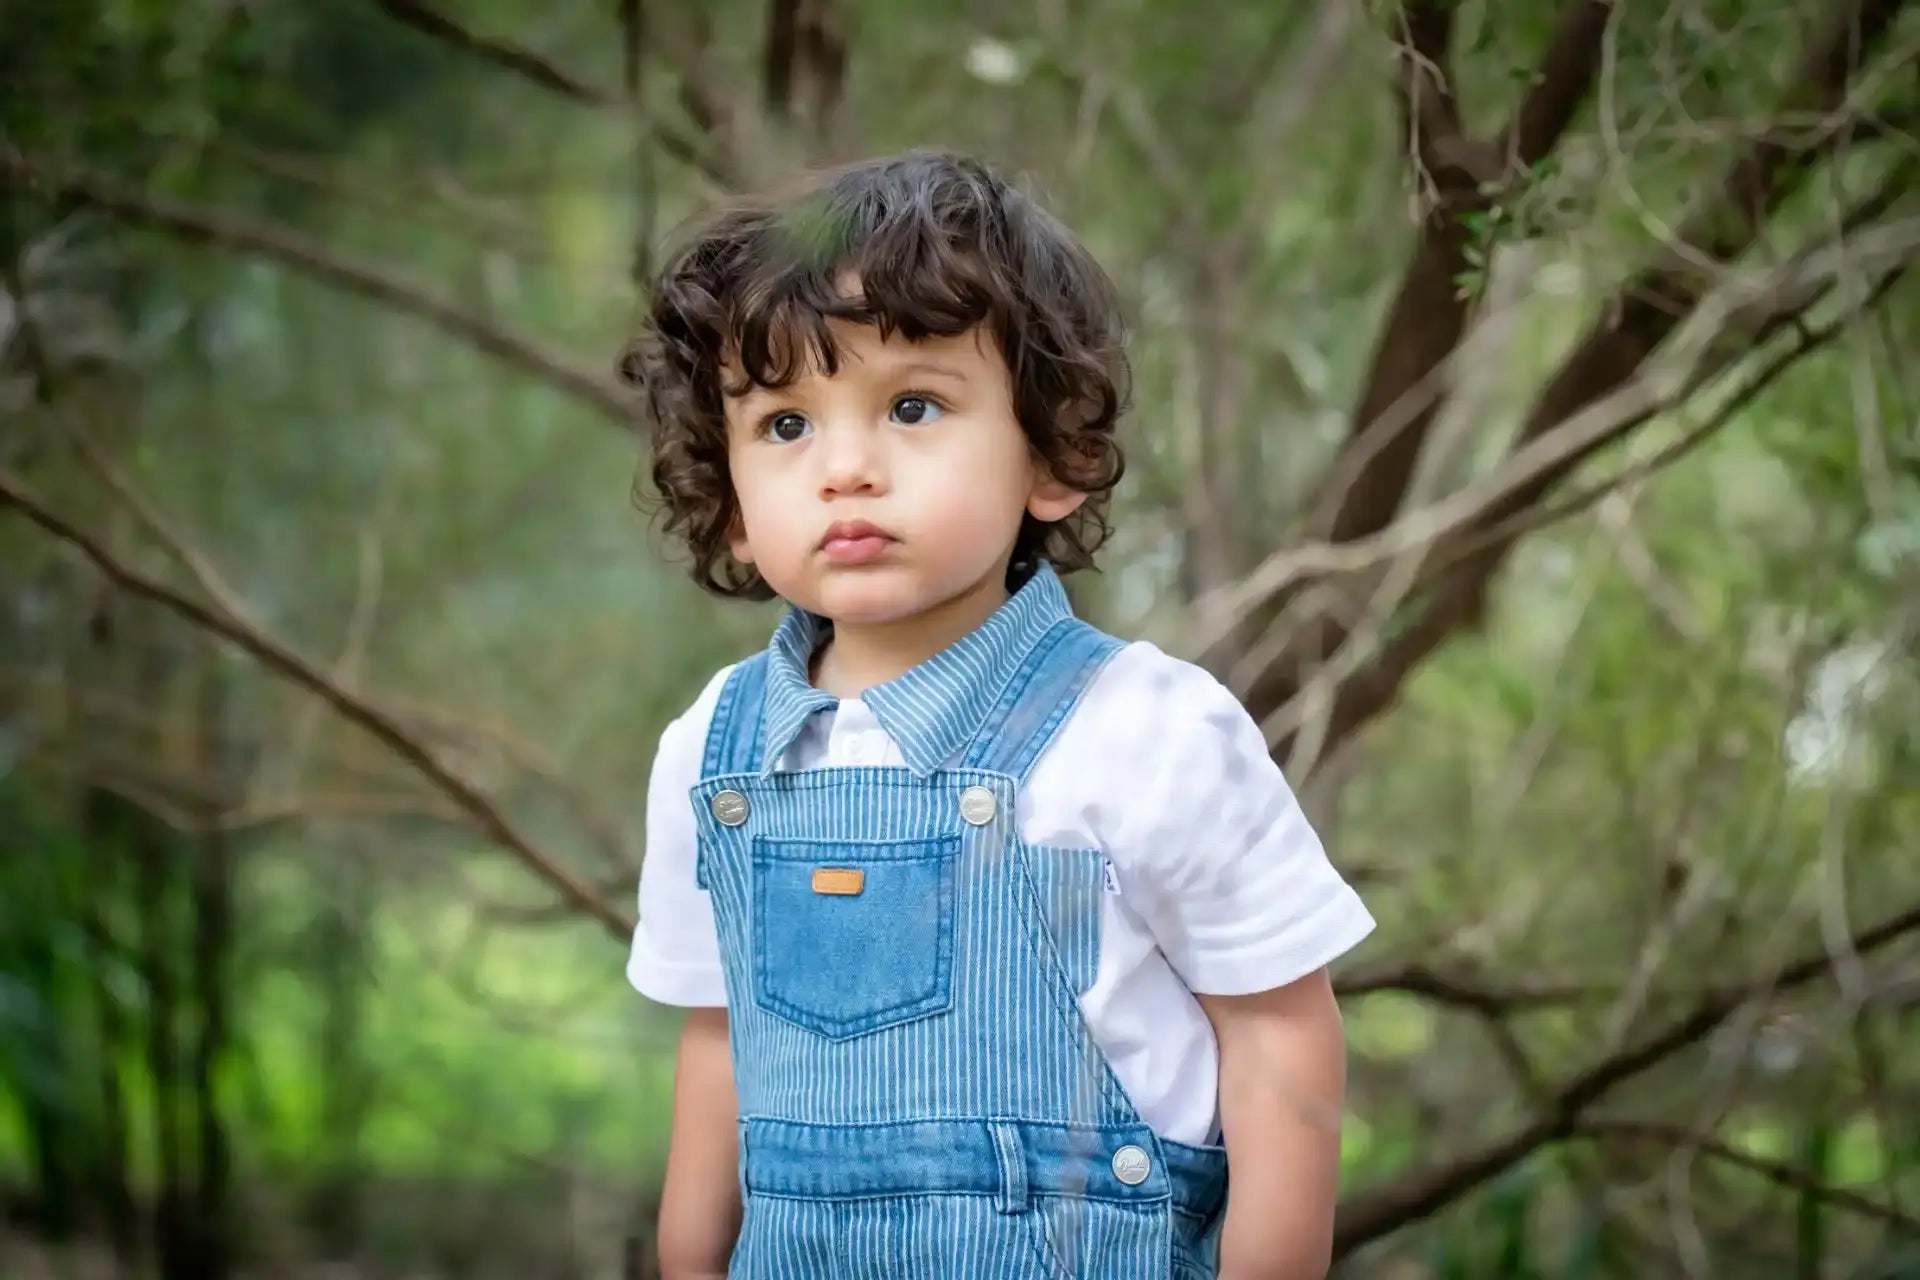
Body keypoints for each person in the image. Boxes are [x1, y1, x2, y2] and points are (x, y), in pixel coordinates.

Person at [621, 149, 1374, 1279]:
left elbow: (1278, 1032)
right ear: (728, 497)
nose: (845, 468)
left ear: (1053, 456)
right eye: (784, 425)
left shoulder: (1144, 730)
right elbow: (721, 1036)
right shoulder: (711, 754)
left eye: (912, 406)